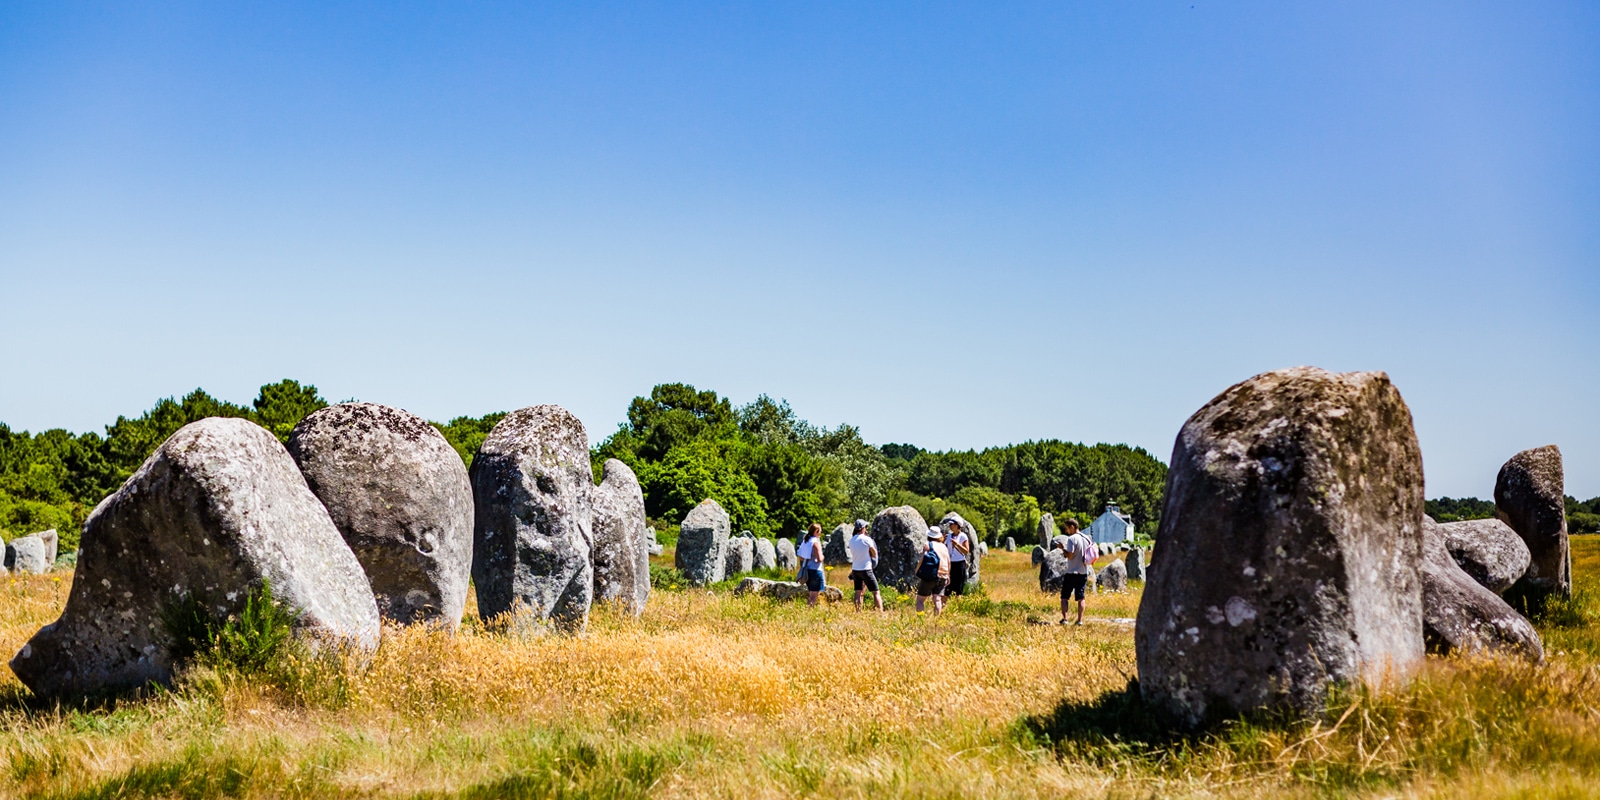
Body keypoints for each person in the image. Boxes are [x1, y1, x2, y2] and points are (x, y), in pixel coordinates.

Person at [1055, 518, 1092, 625]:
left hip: (1072, 572)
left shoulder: (1072, 539)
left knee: (1065, 596)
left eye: (1067, 528)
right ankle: (1080, 620)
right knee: (1081, 597)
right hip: (1083, 571)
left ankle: (1065, 619)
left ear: (1072, 527)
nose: (1066, 531)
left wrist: (1062, 548)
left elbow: (1070, 556)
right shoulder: (1087, 538)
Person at [846, 519, 883, 611]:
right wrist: (873, 558)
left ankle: (858, 611)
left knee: (858, 592)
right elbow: (874, 552)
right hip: (866, 569)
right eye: (866, 527)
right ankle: (880, 612)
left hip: (855, 569)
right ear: (862, 528)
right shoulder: (867, 539)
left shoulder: (851, 540)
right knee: (876, 592)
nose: (866, 529)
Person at [915, 526, 951, 615]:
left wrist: (917, 570)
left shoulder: (928, 545)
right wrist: (948, 576)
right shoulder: (944, 546)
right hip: (943, 575)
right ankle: (936, 620)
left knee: (920, 599)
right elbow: (948, 561)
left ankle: (920, 619)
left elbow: (922, 559)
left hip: (931, 575)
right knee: (937, 599)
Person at [797, 522, 827, 607]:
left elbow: (801, 557)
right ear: (816, 531)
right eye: (820, 531)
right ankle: (809, 610)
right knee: (814, 596)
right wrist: (823, 556)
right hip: (816, 571)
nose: (821, 533)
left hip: (807, 570)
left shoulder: (806, 541)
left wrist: (809, 558)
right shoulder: (815, 543)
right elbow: (819, 559)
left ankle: (808, 610)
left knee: (811, 593)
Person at [942, 519, 971, 598]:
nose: (950, 526)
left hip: (959, 563)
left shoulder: (963, 536)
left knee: (958, 587)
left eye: (952, 524)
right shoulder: (949, 536)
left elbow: (966, 551)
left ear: (957, 525)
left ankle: (959, 605)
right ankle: (944, 606)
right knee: (948, 586)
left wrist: (957, 544)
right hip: (950, 563)